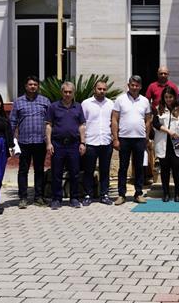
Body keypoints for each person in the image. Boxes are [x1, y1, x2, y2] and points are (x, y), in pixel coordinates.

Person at [10, 75, 50, 209]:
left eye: (35, 84)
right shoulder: (18, 102)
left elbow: (50, 122)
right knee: (23, 170)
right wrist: (10, 141)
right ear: (26, 86)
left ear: (38, 86)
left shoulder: (45, 101)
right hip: (24, 142)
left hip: (40, 141)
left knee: (39, 170)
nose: (33, 87)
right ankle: (23, 198)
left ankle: (39, 197)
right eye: (30, 84)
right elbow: (12, 122)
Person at [45, 81, 87, 210]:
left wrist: (82, 142)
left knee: (74, 173)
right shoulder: (53, 107)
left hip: (74, 145)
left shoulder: (78, 107)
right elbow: (48, 126)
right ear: (61, 92)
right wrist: (49, 143)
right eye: (65, 92)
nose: (67, 94)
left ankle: (74, 198)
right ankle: (56, 199)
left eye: (70, 92)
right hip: (58, 144)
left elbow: (81, 126)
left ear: (73, 93)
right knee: (56, 173)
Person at [112, 75, 152, 205]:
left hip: (139, 139)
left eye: (137, 85)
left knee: (139, 167)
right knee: (123, 167)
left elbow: (148, 120)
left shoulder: (145, 101)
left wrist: (146, 136)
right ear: (128, 85)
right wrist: (115, 138)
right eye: (132, 85)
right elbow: (114, 119)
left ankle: (138, 193)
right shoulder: (120, 99)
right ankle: (121, 194)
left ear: (140, 87)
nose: (134, 87)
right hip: (124, 138)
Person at [81, 79, 115, 205]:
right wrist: (82, 141)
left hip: (106, 141)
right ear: (94, 89)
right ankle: (88, 195)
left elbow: (114, 122)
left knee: (105, 170)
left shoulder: (111, 104)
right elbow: (82, 123)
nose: (102, 91)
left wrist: (114, 137)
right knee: (88, 170)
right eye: (99, 89)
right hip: (90, 141)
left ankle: (104, 195)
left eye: (104, 89)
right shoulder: (86, 104)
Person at [152, 86, 179, 202]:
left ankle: (177, 193)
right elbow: (156, 124)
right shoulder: (158, 109)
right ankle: (166, 193)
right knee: (165, 170)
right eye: (166, 97)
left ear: (174, 97)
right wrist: (168, 131)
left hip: (177, 143)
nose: (168, 99)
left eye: (170, 97)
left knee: (177, 170)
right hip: (163, 143)